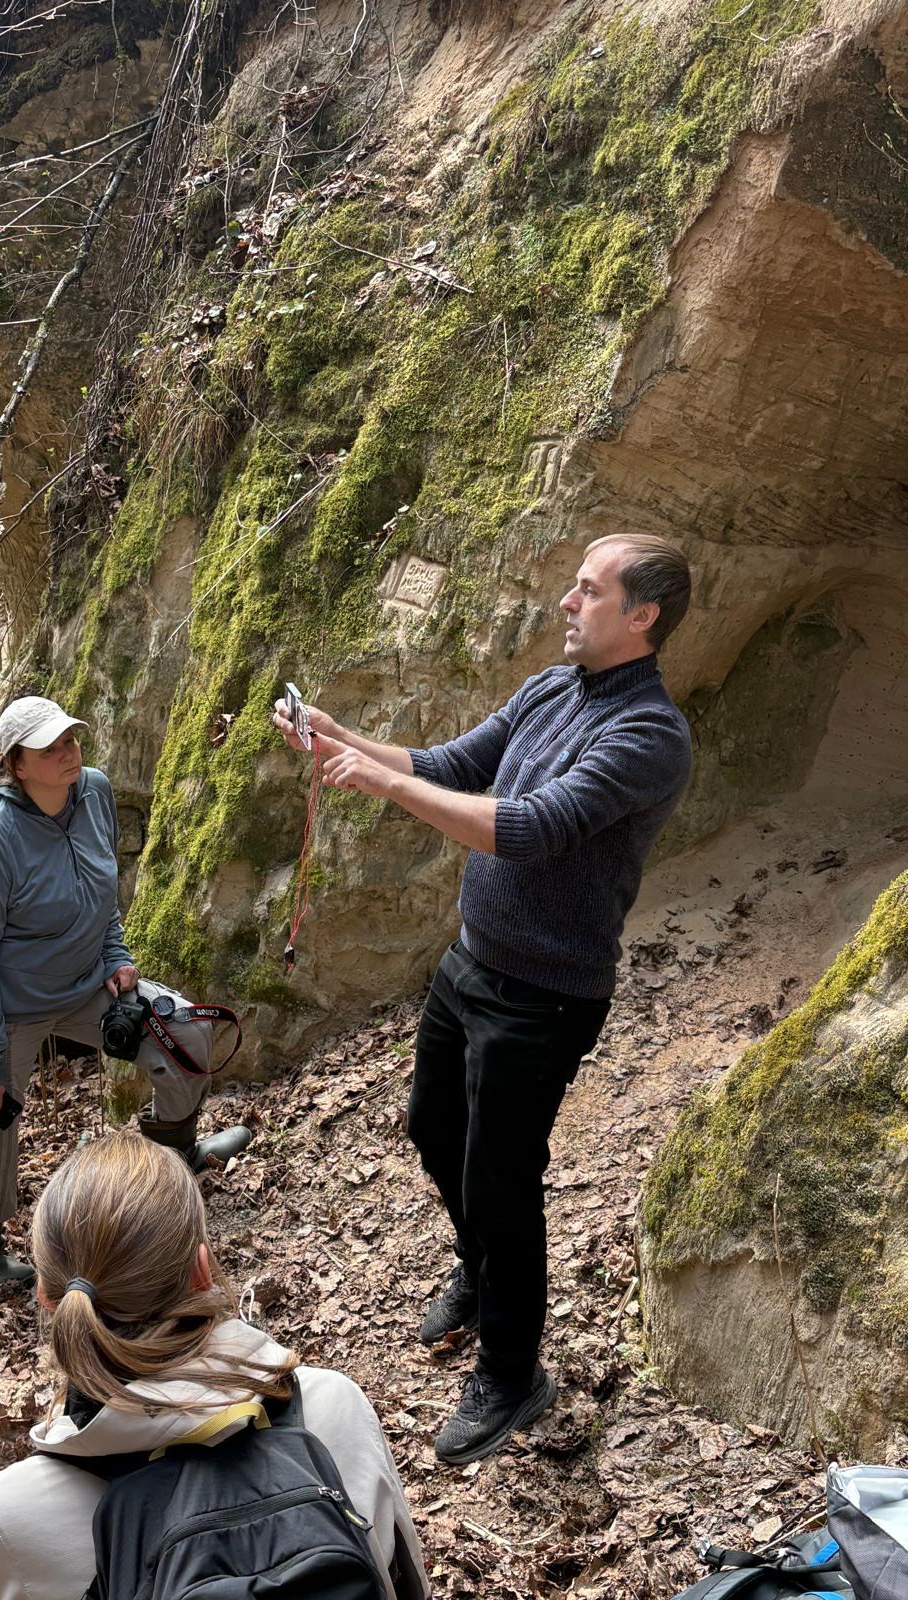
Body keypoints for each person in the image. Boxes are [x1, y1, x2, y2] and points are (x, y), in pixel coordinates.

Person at [274, 535, 693, 1464]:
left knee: (503, 1183)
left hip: (544, 996)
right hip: (471, 962)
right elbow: (452, 763)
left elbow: (532, 829)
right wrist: (341, 738)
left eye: (588, 590)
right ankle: (482, 1268)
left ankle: (511, 1374)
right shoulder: (552, 689)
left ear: (643, 616)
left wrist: (383, 782)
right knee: (433, 1127)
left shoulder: (650, 736)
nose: (566, 601)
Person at [0, 1132, 431, 1599]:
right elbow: (401, 1581)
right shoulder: (332, 1403)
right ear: (202, 1271)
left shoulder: (14, 1513)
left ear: (49, 1299)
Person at [0, 695, 251, 1286]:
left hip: (84, 984)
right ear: (15, 765)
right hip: (0, 1006)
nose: (68, 753)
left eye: (71, 740)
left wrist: (115, 955)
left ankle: (176, 1158)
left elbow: (101, 888)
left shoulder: (94, 792)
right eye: (49, 748)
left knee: (186, 1032)